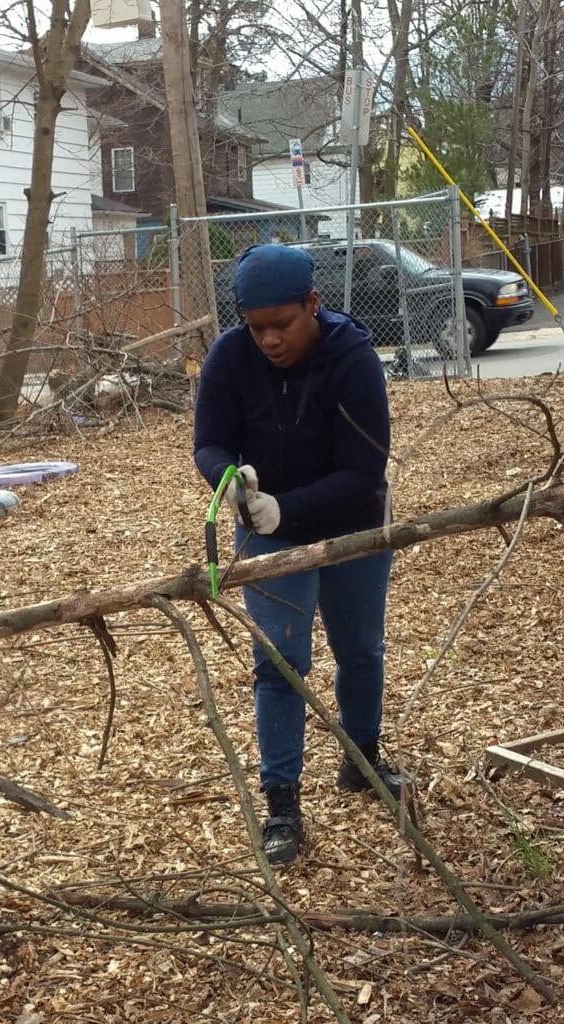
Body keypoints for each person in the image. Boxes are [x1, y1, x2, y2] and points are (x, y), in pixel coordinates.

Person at [194, 243, 405, 866]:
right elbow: (209, 441)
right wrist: (229, 479)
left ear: (314, 304)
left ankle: (361, 759)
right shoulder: (231, 357)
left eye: (281, 324)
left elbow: (365, 470)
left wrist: (289, 509)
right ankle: (282, 801)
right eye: (256, 327)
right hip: (267, 528)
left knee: (360, 648)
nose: (268, 341)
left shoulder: (353, 359)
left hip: (352, 526)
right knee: (280, 662)